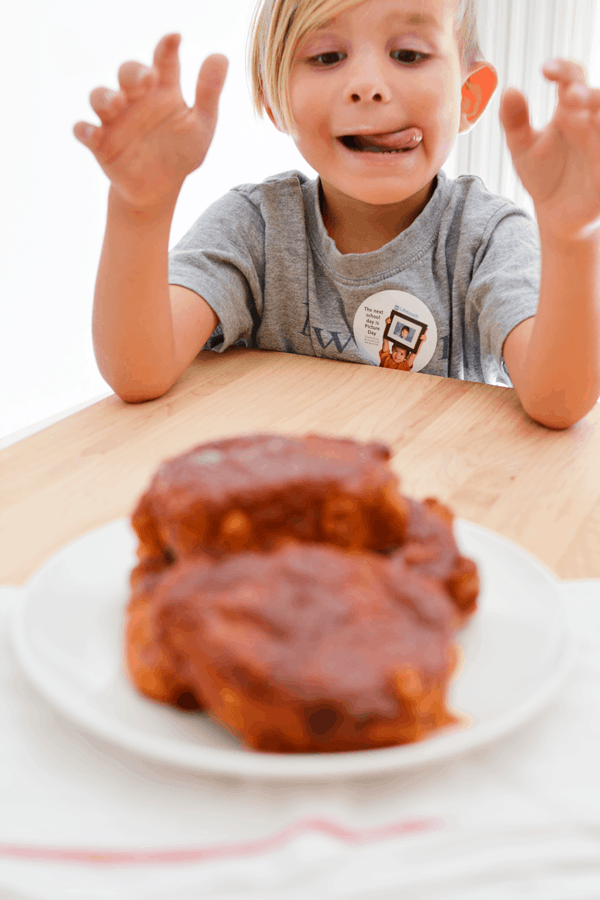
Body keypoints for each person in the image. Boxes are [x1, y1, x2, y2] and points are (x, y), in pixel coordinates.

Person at [74, 0, 600, 429]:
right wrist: (140, 209)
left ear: (468, 96)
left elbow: (559, 402)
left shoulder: (486, 237)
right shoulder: (253, 226)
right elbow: (137, 372)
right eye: (327, 57)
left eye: (410, 54)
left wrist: (571, 238)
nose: (368, 85)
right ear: (274, 97)